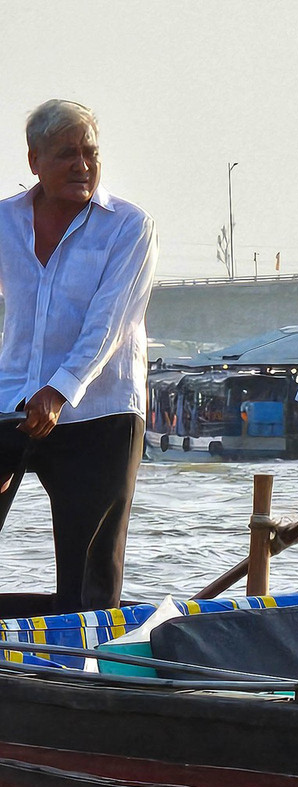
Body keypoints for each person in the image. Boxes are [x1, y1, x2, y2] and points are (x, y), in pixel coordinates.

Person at [0, 100, 156, 612]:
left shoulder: (128, 226)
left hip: (99, 413)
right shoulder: (4, 222)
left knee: (88, 581)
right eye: (67, 154)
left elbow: (108, 325)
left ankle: (81, 675)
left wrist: (60, 389)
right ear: (34, 161)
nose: (82, 165)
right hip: (12, 401)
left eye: (90, 153)